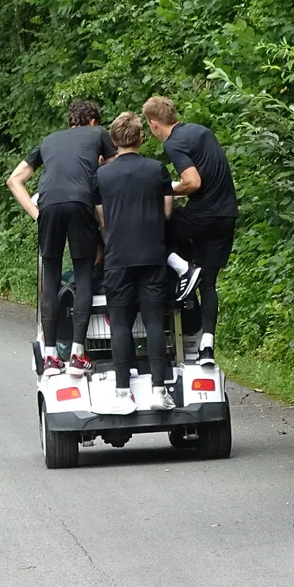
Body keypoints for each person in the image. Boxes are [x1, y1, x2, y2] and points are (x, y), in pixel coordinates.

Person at [7, 99, 114, 376]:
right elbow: (116, 173)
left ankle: (51, 357)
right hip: (81, 203)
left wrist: (36, 213)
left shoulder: (48, 140)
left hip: (50, 205)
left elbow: (14, 180)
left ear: (70, 123)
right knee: (83, 271)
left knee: (52, 276)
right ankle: (78, 354)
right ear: (93, 122)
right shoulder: (98, 134)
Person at [142, 95, 238, 368]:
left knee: (154, 234)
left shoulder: (173, 143)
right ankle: (206, 346)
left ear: (153, 124)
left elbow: (192, 182)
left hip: (203, 215)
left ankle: (183, 269)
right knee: (208, 282)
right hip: (226, 215)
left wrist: (164, 189)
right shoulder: (201, 132)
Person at [95, 112, 175, 414]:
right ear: (140, 138)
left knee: (120, 326)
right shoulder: (157, 169)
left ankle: (122, 392)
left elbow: (101, 216)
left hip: (117, 258)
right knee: (155, 323)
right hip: (152, 256)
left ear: (114, 141)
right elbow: (168, 211)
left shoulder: (101, 176)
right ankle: (158, 389)